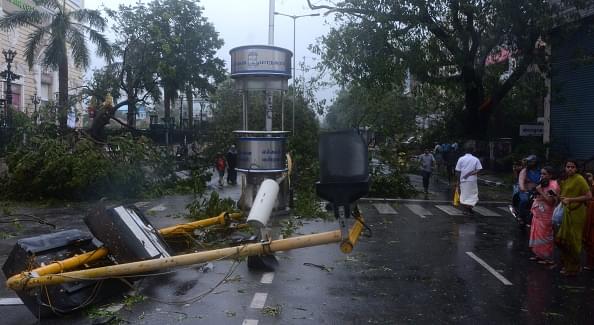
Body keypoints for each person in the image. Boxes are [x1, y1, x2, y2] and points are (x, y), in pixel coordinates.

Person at [555, 159, 592, 276]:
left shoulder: (580, 179)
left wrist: (571, 200)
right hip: (567, 212)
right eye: (568, 166)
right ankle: (567, 265)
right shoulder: (566, 180)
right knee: (563, 239)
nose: (570, 169)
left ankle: (573, 267)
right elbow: (564, 195)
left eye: (572, 167)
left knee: (573, 240)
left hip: (577, 213)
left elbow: (588, 196)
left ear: (576, 169)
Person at [528, 166, 559, 265]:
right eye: (541, 173)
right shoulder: (542, 183)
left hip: (547, 214)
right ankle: (538, 254)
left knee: (545, 235)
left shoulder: (553, 185)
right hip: (538, 213)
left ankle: (548, 257)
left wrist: (540, 191)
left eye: (544, 174)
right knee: (536, 233)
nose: (542, 176)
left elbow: (551, 201)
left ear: (550, 175)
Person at [455, 145, 482, 215]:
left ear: (465, 151)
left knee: (464, 195)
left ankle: (465, 209)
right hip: (472, 180)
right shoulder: (475, 159)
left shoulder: (461, 159)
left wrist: (458, 180)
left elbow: (458, 171)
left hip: (463, 180)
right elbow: (479, 169)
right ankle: (469, 208)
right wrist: (471, 173)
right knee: (473, 195)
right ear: (472, 151)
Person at [518, 155, 541, 222]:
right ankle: (521, 216)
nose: (529, 163)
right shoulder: (525, 171)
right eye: (529, 161)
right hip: (526, 191)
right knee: (524, 200)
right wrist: (523, 188)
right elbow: (521, 180)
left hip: (536, 191)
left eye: (531, 161)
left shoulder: (539, 171)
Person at [582, 172, 594, 270]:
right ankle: (590, 263)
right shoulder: (586, 187)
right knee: (589, 236)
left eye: (590, 176)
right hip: (589, 212)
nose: (588, 178)